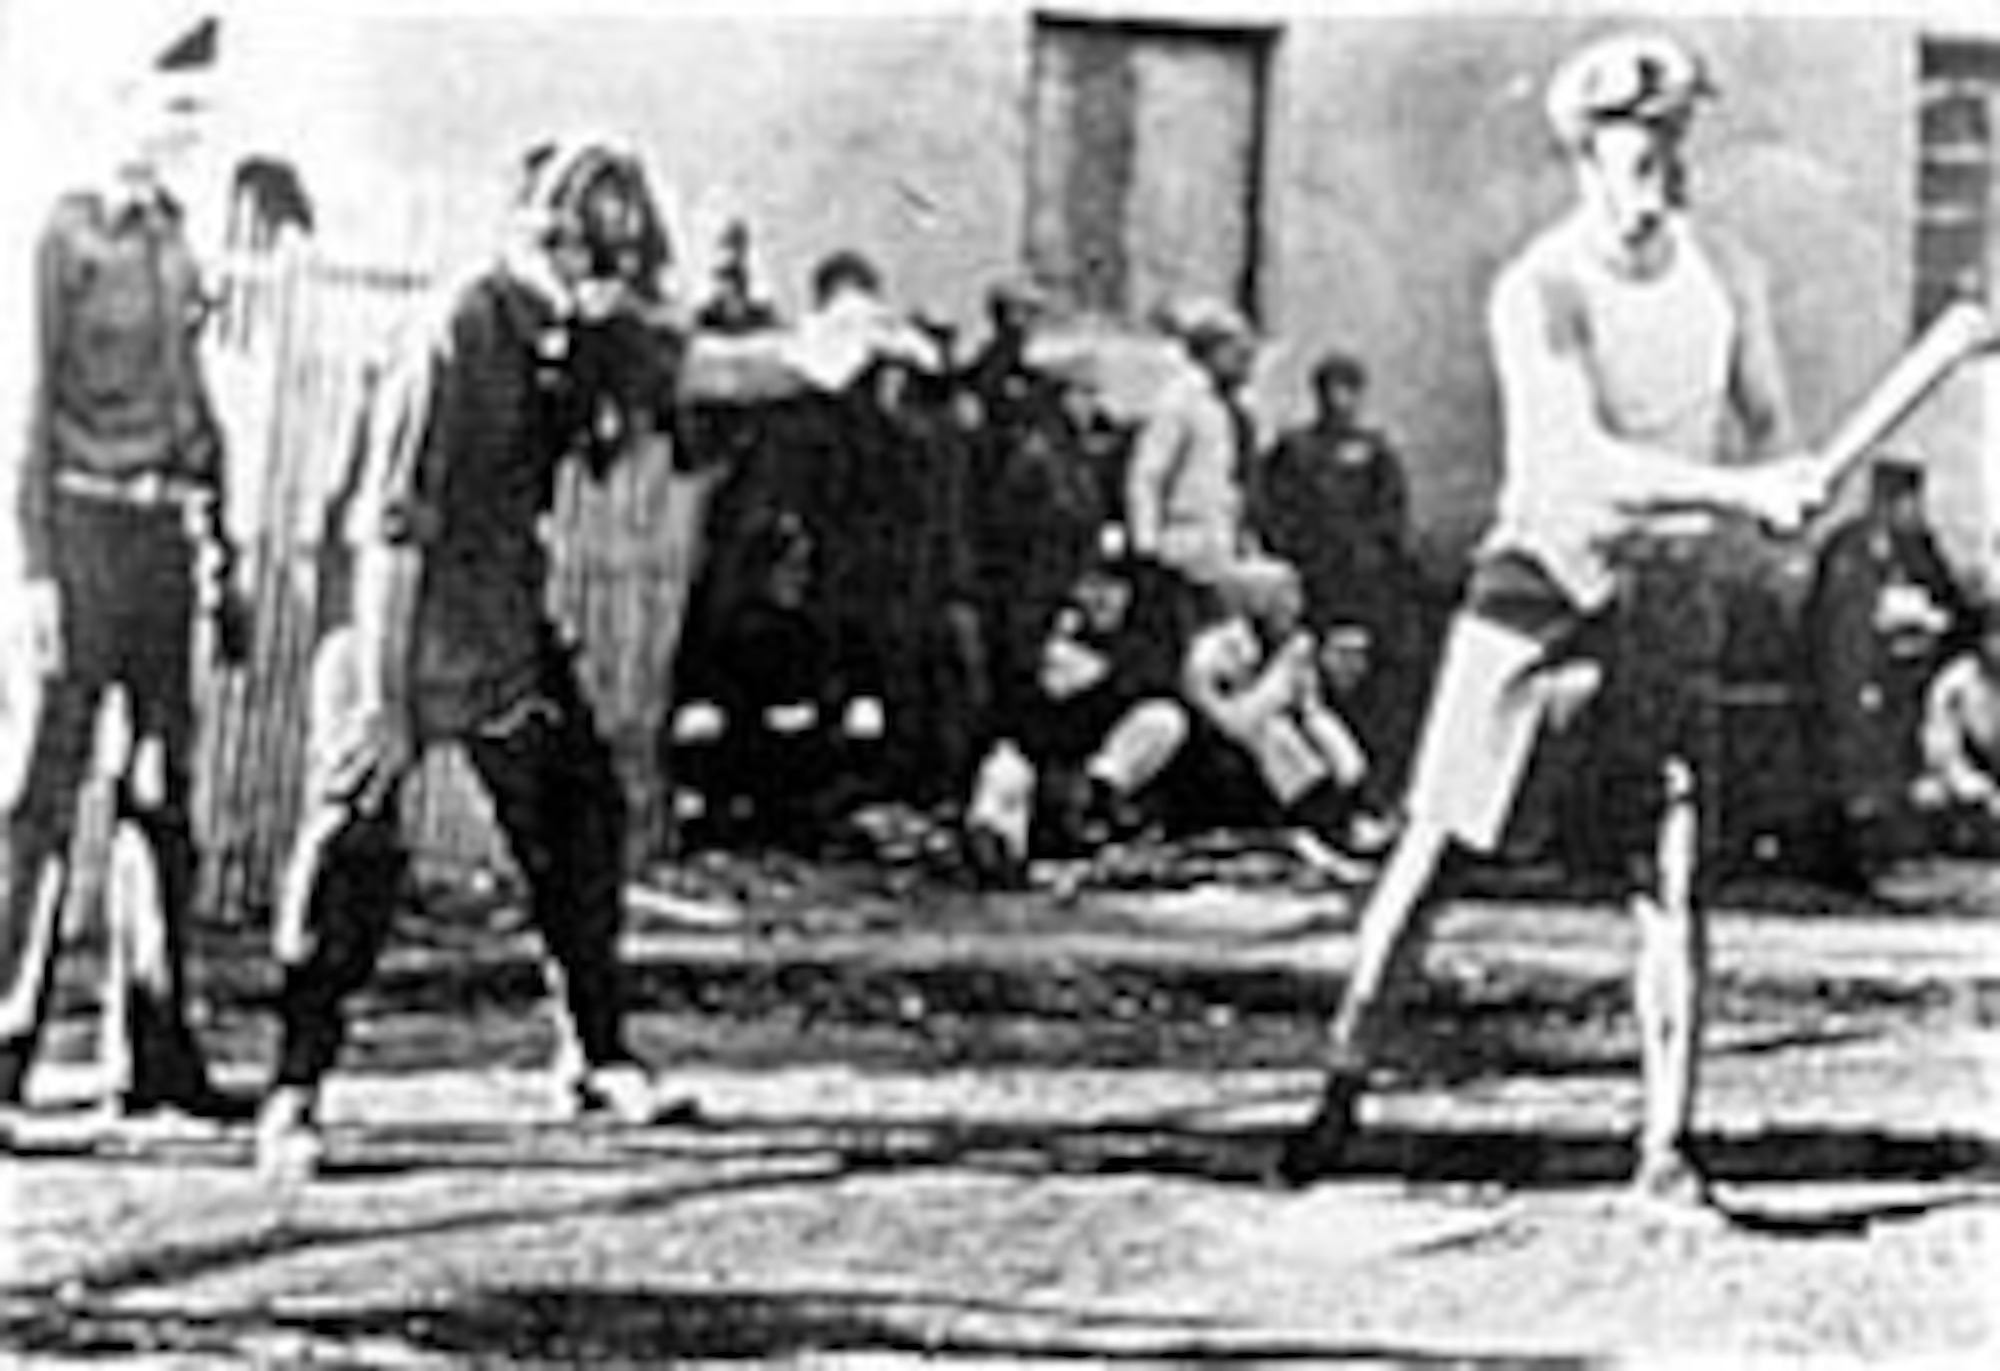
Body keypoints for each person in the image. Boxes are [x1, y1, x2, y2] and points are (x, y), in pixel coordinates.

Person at [1276, 33, 1827, 1206]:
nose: (1667, 160)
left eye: (1680, 134)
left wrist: (1786, 485)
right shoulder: (1540, 288)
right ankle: (1340, 1079)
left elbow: (1768, 424)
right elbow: (1578, 461)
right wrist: (1739, 492)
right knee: (1434, 855)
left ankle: (1665, 1150)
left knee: (1670, 872)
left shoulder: (1728, 268)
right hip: (1536, 586)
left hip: (1667, 599)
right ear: (1585, 145)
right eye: (1644, 136)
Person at [255, 139, 690, 1179]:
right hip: (389, 621)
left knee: (580, 817)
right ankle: (294, 1092)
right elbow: (389, 530)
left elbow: (631, 430)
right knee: (352, 849)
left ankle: (596, 1052)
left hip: (501, 632)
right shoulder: (456, 330)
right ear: (539, 243)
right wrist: (386, 704)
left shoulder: (569, 339)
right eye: (584, 265)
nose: (596, 292)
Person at [1, 37, 249, 1141]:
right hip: (79, 528)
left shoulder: (173, 237)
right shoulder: (59, 235)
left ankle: (153, 1059)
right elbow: (20, 408)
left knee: (162, 798)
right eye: (170, 109)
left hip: (159, 536)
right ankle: (2, 1052)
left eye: (199, 114)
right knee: (35, 802)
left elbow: (195, 400)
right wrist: (32, 571)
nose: (184, 132)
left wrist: (221, 543)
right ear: (119, 104)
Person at [964, 543, 1190, 885]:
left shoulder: (1139, 639)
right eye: (1093, 587)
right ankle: (998, 847)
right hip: (1035, 753)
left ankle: (1100, 801)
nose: (1103, 599)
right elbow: (1021, 705)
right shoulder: (1050, 634)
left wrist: (1106, 675)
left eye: (1113, 590)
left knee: (1164, 719)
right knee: (1004, 773)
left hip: (1098, 760)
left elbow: (1154, 685)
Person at [1259, 350, 1432, 784]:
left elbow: (1393, 512)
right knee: (1313, 674)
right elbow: (1273, 509)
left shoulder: (1375, 449)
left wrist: (1387, 563)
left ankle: (1372, 773)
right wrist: (1292, 555)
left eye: (1351, 389)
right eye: (1333, 389)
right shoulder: (1295, 448)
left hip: (1368, 583)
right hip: (1316, 579)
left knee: (1371, 676)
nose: (1342, 400)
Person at [1803, 457, 1968, 885]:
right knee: (1857, 765)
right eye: (1906, 503)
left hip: (1906, 676)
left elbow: (1952, 600)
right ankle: (1851, 856)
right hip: (1856, 676)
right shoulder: (1850, 549)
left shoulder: (1916, 546)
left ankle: (1891, 847)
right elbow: (1840, 630)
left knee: (1898, 762)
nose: (1914, 513)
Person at [1180, 559, 1378, 878]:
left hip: (1286, 770)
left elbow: (1312, 710)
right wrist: (1277, 681)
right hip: (1216, 760)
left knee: (1323, 730)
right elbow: (1232, 723)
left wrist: (1346, 766)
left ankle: (1346, 816)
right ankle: (1320, 822)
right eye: (1285, 596)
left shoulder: (1294, 645)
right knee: (1273, 733)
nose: (1296, 606)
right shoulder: (1213, 650)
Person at [1125, 298, 1268, 600]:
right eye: (1235, 352)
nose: (1244, 363)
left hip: (1223, 547)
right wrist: (1146, 544)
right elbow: (1148, 475)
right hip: (1182, 548)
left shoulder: (1237, 411)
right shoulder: (1181, 401)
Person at [1912, 602, 2000, 856]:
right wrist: (1977, 790)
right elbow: (1943, 752)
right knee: (1929, 796)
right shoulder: (1955, 684)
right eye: (1993, 634)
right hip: (1976, 795)